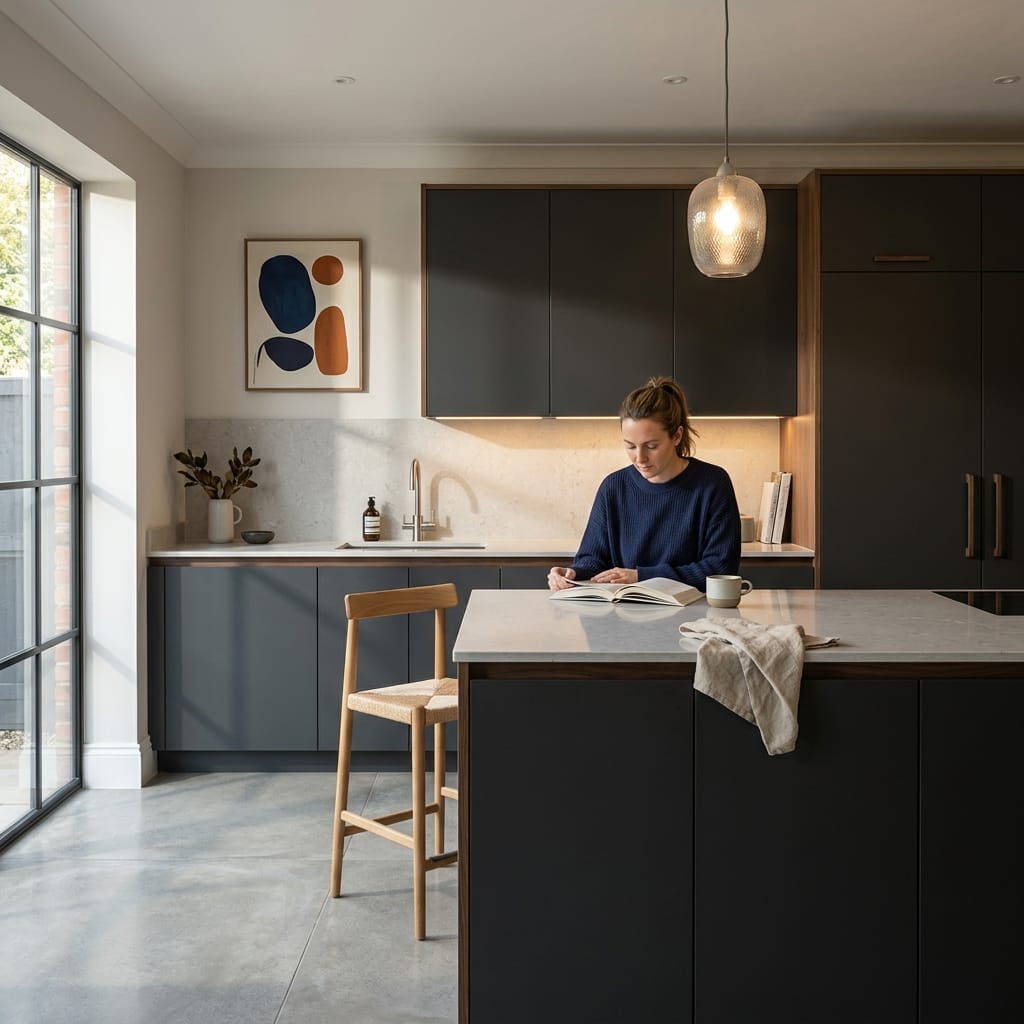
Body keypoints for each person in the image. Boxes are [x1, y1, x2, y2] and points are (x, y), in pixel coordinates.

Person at [548, 376, 741, 591]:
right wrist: (574, 572)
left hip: (692, 616)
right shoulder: (613, 487)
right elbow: (593, 558)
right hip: (623, 614)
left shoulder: (712, 484)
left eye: (651, 446)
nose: (640, 458)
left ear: (677, 436)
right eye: (630, 446)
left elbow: (720, 569)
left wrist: (643, 576)